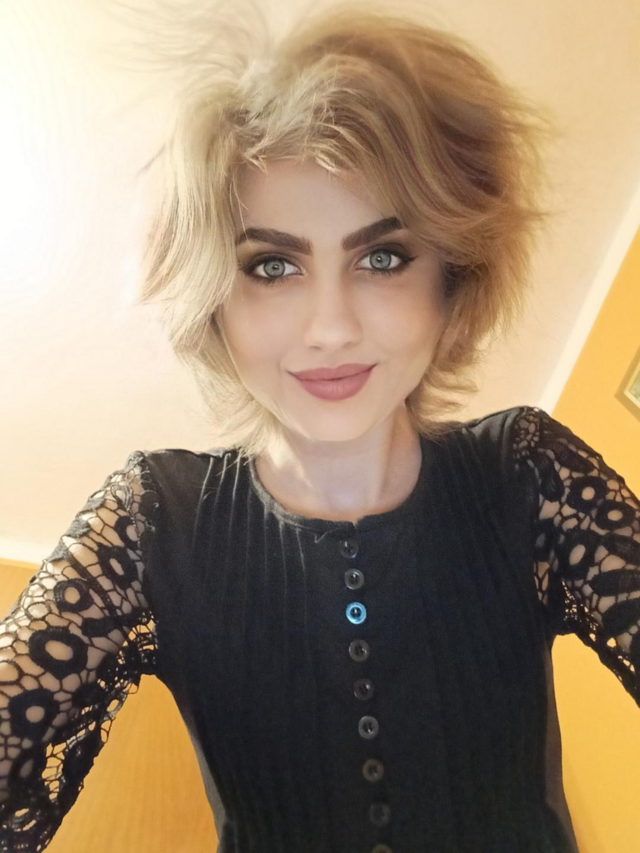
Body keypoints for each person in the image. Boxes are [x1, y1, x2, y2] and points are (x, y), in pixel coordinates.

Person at [1, 1, 638, 851]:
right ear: (213, 296)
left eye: (383, 257)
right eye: (272, 266)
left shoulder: (529, 473)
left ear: (452, 278)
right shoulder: (150, 521)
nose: (330, 328)